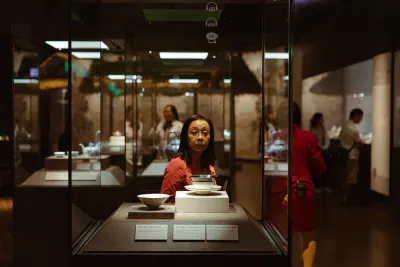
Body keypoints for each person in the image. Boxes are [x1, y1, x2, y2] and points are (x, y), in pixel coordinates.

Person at [281, 102, 326, 267]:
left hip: (282, 189)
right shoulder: (308, 137)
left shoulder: (276, 137)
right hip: (303, 188)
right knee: (308, 236)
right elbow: (319, 166)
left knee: (285, 235)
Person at [160, 114, 216, 203]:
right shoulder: (177, 165)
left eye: (205, 133)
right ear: (185, 137)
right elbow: (166, 203)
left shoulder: (208, 167)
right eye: (194, 132)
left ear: (210, 138)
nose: (200, 137)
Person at [339, 108, 364, 205]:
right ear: (356, 116)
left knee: (345, 176)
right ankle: (347, 200)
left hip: (344, 153)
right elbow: (359, 142)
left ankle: (343, 198)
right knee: (351, 177)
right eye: (361, 116)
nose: (361, 119)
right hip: (352, 155)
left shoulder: (345, 125)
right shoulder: (354, 129)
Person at [309, 113, 331, 193]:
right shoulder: (313, 129)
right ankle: (316, 186)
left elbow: (327, 139)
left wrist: (325, 147)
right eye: (321, 119)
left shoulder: (323, 128)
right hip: (316, 151)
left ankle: (324, 185)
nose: (322, 120)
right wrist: (321, 148)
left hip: (324, 151)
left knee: (325, 169)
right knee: (316, 169)